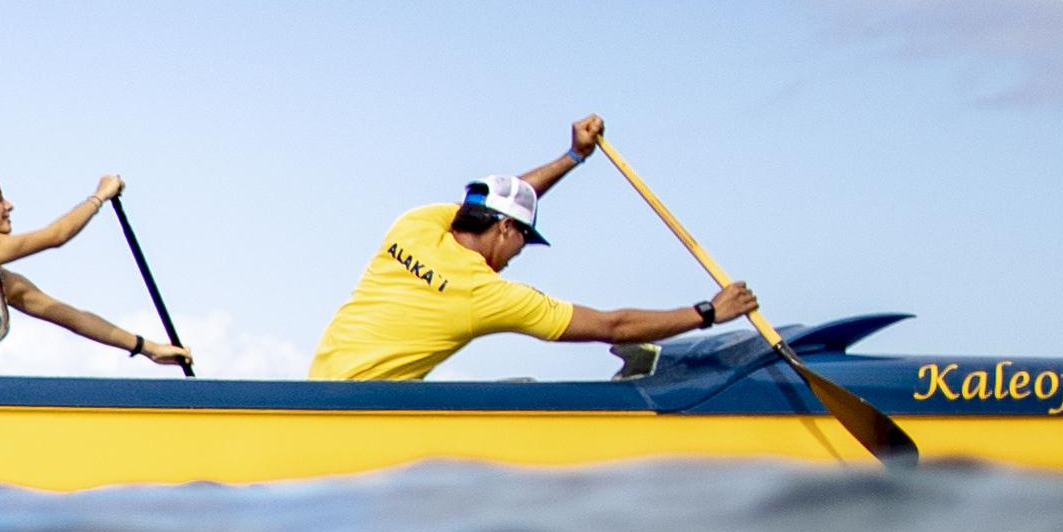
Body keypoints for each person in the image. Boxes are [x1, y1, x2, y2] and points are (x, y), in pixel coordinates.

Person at [303, 116, 750, 382]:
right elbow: (613, 326)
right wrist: (707, 313)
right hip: (367, 413)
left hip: (317, 389)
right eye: (523, 238)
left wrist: (573, 157)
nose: (520, 252)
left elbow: (503, 199)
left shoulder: (416, 225)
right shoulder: (486, 295)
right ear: (503, 230)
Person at [0, 165, 190, 377]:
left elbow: (73, 318)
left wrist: (147, 347)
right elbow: (56, 236)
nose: (9, 204)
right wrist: (100, 197)